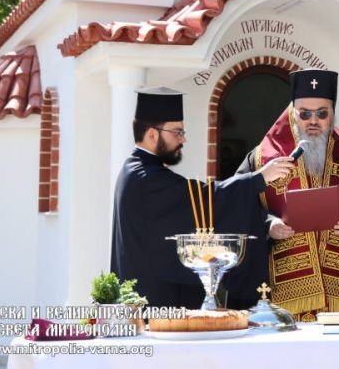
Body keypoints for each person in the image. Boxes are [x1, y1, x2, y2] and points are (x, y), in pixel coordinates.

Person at [236, 70, 339, 321]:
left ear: (332, 114)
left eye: (322, 113)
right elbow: (234, 204)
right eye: (305, 113)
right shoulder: (261, 159)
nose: (313, 121)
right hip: (282, 287)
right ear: (294, 114)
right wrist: (268, 225)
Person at [110, 86, 293, 308]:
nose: (183, 140)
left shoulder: (137, 170)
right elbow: (203, 198)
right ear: (151, 134)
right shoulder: (144, 176)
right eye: (177, 132)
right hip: (156, 301)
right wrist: (259, 179)